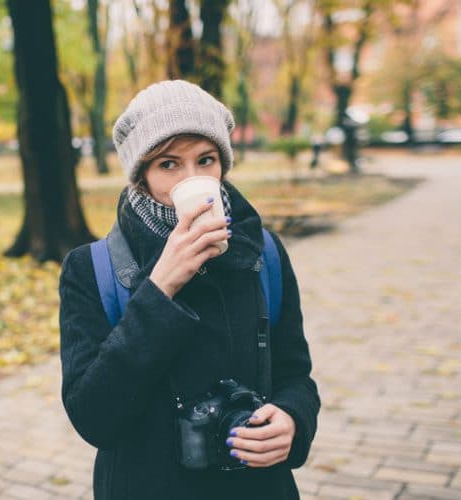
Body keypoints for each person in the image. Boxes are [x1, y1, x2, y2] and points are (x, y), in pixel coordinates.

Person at [59, 80, 320, 500]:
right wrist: (160, 288)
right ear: (141, 176)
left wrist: (292, 420)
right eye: (168, 164)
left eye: (206, 159)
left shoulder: (264, 253)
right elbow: (93, 417)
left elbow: (295, 375)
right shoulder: (93, 269)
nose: (193, 178)